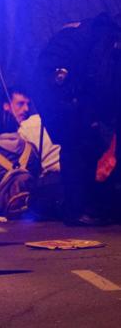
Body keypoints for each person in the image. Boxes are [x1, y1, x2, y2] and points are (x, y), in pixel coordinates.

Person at [34, 12, 121, 226]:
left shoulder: (102, 37)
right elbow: (102, 86)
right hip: (62, 92)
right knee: (79, 139)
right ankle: (80, 207)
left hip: (66, 88)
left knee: (84, 137)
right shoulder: (106, 43)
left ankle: (86, 205)